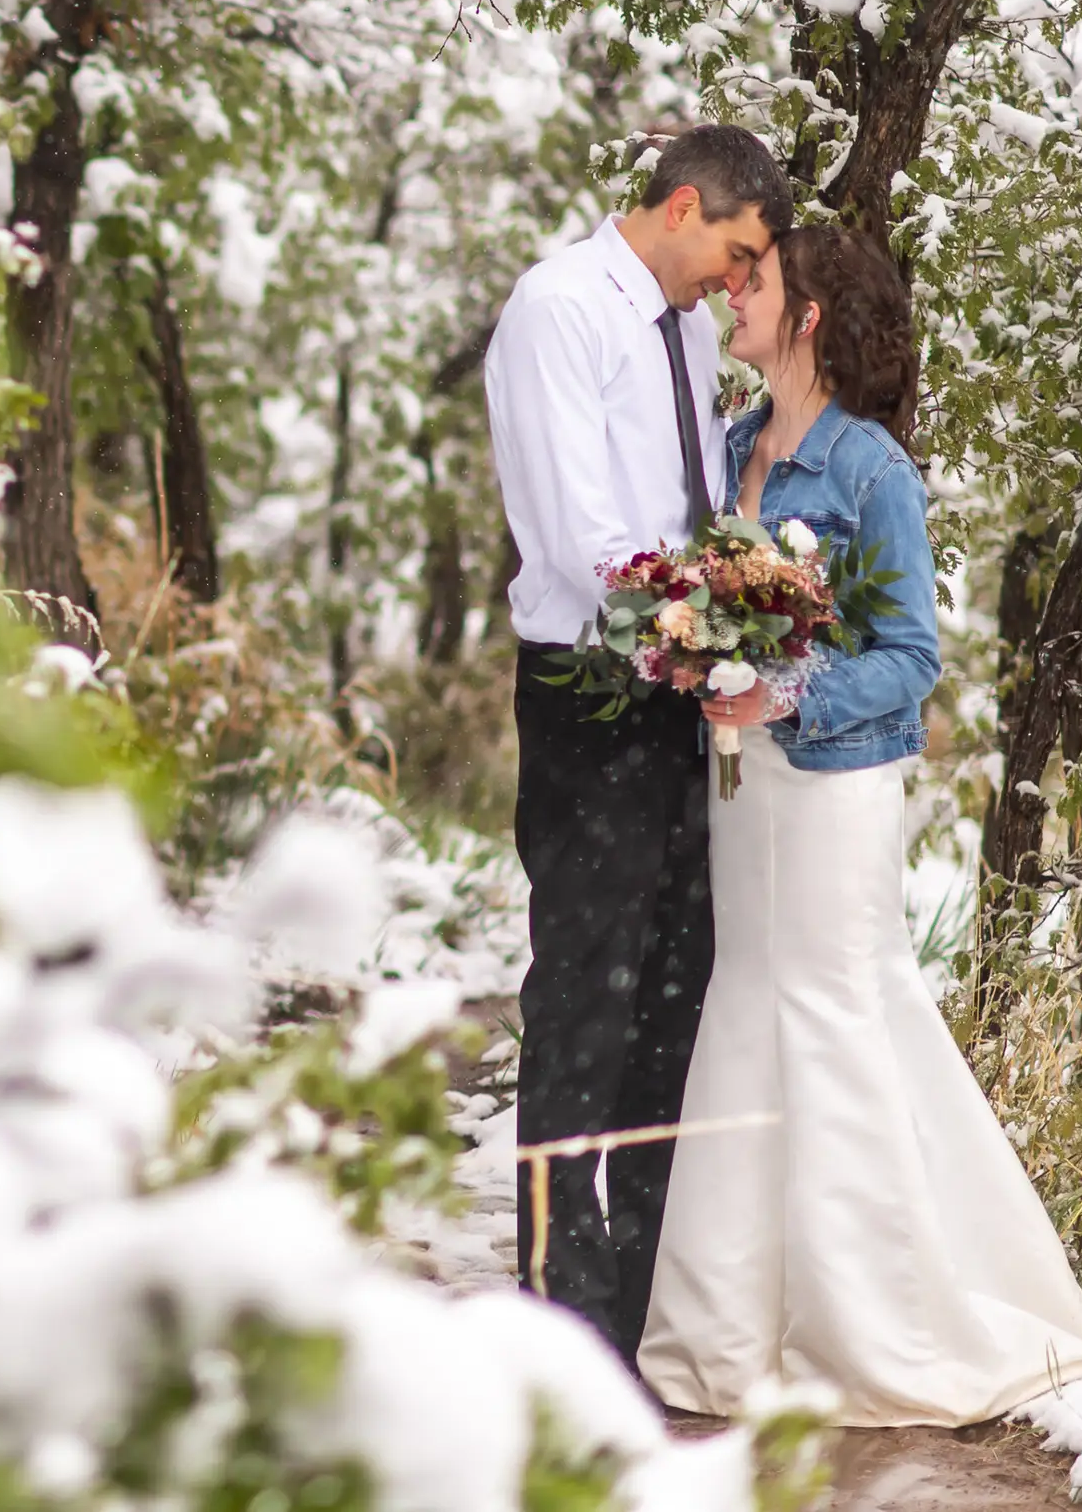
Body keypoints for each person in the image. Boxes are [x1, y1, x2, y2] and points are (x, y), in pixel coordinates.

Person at [637, 226, 1082, 1423]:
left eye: (755, 282)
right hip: (741, 789)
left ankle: (886, 1329)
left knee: (838, 1016)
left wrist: (783, 688)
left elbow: (909, 661)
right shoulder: (735, 445)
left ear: (805, 318)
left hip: (837, 789)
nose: (732, 293)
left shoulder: (872, 473)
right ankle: (727, 1338)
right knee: (746, 1010)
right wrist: (689, 648)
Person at [482, 124, 793, 1361]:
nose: (737, 275)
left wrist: (739, 613)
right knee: (583, 986)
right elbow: (576, 537)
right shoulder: (557, 308)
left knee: (673, 983)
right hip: (587, 687)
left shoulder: (686, 329)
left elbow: (686, 507)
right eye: (736, 246)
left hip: (676, 682)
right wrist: (708, 612)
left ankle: (644, 1273)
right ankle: (557, 1290)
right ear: (681, 207)